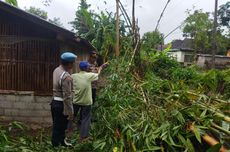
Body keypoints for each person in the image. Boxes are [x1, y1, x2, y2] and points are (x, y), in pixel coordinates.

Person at [72, 61, 104, 142]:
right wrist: (100, 68)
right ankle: (83, 137)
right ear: (86, 68)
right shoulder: (89, 75)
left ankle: (67, 132)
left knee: (72, 117)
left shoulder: (74, 76)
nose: (90, 68)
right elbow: (98, 75)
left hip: (76, 101)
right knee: (86, 119)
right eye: (89, 67)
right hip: (86, 102)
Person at [51, 52, 77, 147]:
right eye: (73, 63)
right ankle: (55, 145)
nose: (73, 65)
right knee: (59, 126)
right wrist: (70, 111)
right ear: (69, 64)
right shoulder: (66, 77)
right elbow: (67, 96)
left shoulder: (56, 70)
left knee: (58, 125)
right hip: (61, 104)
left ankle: (61, 142)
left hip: (54, 102)